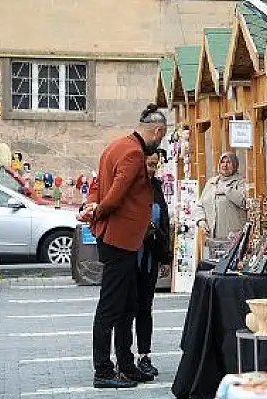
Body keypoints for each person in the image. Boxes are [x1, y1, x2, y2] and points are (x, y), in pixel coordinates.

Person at [78, 104, 167, 389]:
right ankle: (103, 370)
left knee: (127, 304)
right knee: (112, 306)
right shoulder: (132, 152)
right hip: (120, 239)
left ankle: (126, 365)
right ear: (157, 131)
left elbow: (96, 184)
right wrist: (96, 211)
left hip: (121, 239)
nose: (160, 143)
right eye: (161, 138)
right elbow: (115, 196)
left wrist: (93, 205)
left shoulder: (115, 146)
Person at [134, 150, 172, 377]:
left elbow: (164, 219)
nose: (152, 169)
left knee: (145, 309)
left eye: (155, 165)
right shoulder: (131, 186)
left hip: (149, 257)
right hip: (130, 257)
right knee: (127, 309)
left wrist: (164, 253)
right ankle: (124, 358)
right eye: (149, 164)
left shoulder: (156, 187)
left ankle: (144, 356)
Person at [195, 152, 247, 239]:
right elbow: (200, 205)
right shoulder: (212, 182)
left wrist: (226, 189)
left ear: (235, 165)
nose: (225, 165)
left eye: (228, 162)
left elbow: (243, 202)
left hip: (233, 238)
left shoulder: (241, 182)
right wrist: (201, 221)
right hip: (212, 237)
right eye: (222, 162)